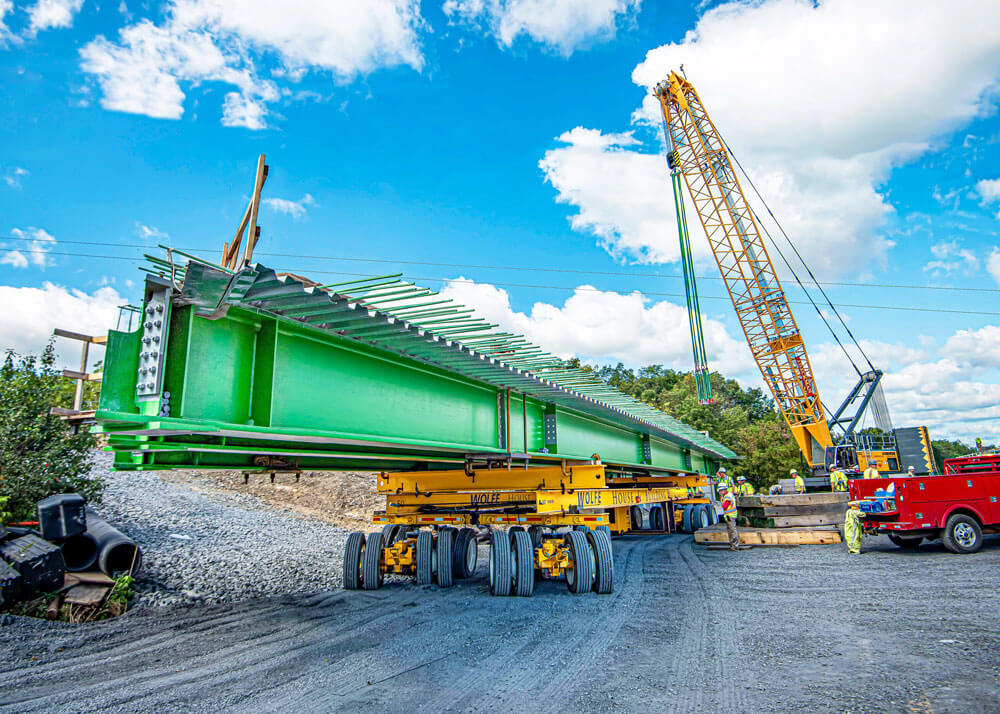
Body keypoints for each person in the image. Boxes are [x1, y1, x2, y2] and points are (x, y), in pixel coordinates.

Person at [717, 481, 740, 551]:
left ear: (723, 490)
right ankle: (733, 545)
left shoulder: (727, 496)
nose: (719, 492)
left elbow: (725, 506)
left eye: (720, 491)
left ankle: (734, 546)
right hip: (729, 516)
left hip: (730, 515)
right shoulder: (727, 495)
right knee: (731, 531)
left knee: (732, 531)